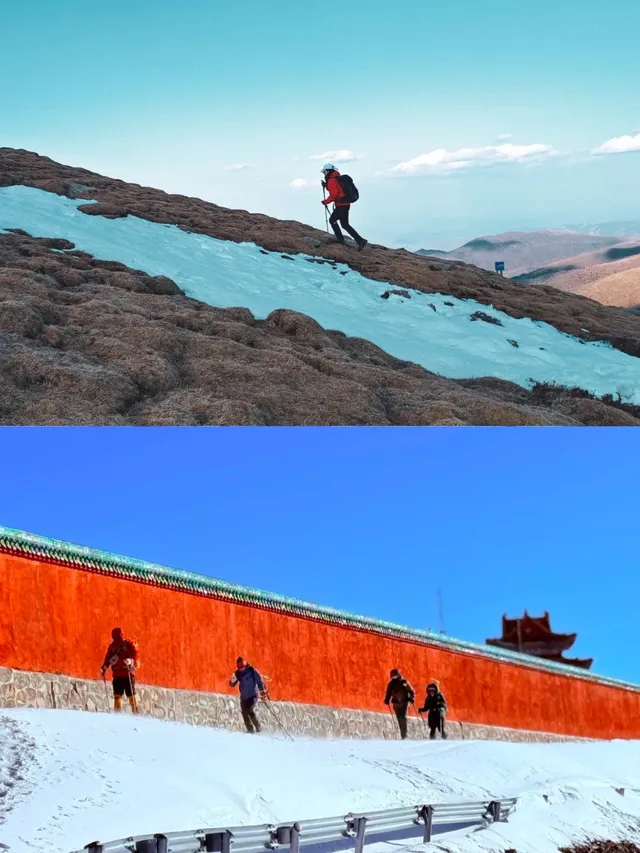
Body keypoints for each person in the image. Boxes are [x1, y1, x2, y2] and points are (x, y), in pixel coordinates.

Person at [321, 163, 368, 250]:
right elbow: (337, 189)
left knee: (332, 220)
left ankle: (340, 239)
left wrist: (326, 202)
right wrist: (326, 185)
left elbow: (334, 194)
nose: (324, 173)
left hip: (341, 205)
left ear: (328, 171)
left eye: (324, 171)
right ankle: (360, 240)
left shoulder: (331, 180)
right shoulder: (336, 178)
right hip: (345, 204)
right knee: (345, 224)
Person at [101, 627, 139, 713]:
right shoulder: (112, 647)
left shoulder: (128, 644)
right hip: (118, 675)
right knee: (118, 695)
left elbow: (135, 655)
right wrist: (104, 667)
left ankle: (134, 712)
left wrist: (131, 661)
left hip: (127, 673)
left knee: (130, 694)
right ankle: (118, 713)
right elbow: (108, 659)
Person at [230, 656, 268, 733]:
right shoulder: (237, 673)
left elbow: (259, 681)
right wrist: (232, 681)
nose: (240, 668)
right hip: (244, 696)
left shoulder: (252, 670)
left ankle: (258, 726)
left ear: (245, 664)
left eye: (242, 666)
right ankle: (250, 729)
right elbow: (232, 684)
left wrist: (262, 691)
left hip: (253, 695)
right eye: (239, 666)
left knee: (249, 709)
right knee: (244, 712)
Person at [383, 668, 415, 740]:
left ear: (398, 674)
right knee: (399, 719)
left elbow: (411, 691)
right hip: (396, 704)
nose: (394, 676)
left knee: (403, 718)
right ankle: (402, 734)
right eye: (392, 675)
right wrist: (387, 699)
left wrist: (412, 698)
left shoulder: (404, 682)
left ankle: (405, 735)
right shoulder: (391, 684)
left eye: (395, 675)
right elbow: (388, 693)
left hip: (404, 702)